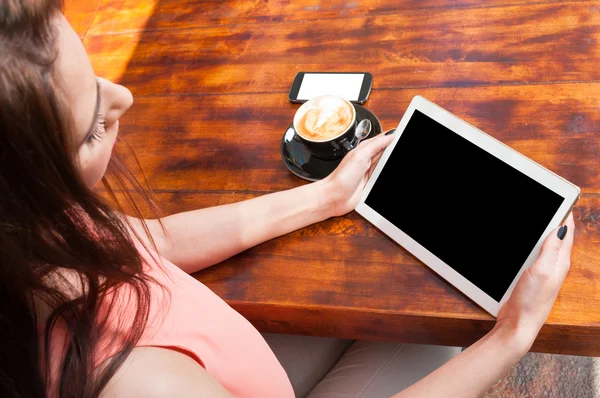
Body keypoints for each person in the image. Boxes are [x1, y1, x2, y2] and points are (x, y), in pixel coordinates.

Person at [0, 1, 575, 397]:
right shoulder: (138, 382)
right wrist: (512, 337)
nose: (123, 96)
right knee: (435, 341)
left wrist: (326, 197)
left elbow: (153, 242)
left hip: (239, 364)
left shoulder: (34, 230)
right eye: (92, 127)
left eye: (96, 74)